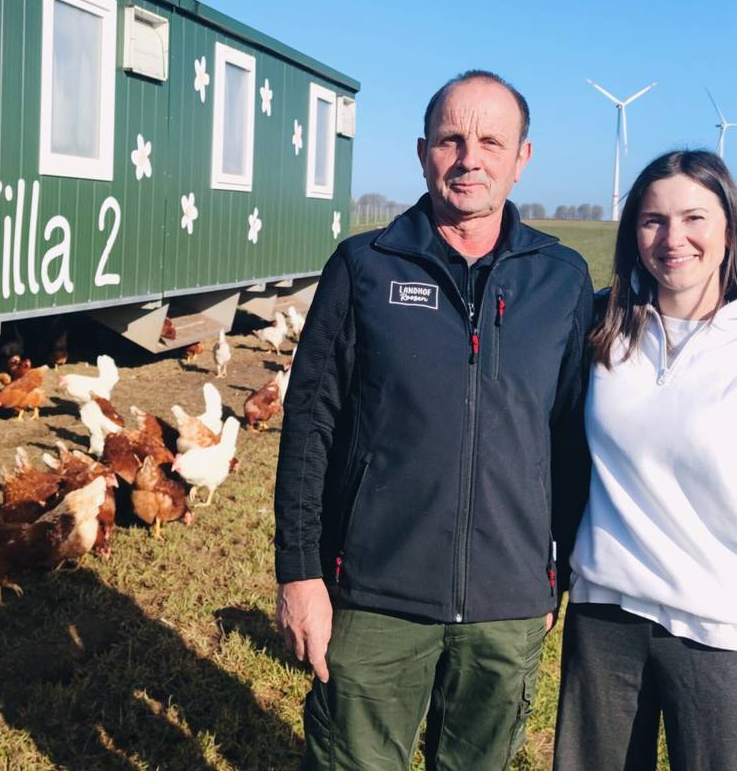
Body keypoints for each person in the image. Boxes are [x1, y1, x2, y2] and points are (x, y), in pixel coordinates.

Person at [274, 69, 594, 770]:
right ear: (423, 153)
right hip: (372, 595)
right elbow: (309, 429)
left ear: (522, 158)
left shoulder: (561, 279)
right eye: (451, 139)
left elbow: (570, 439)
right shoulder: (364, 266)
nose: (469, 158)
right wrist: (300, 575)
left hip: (507, 606)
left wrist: (554, 577)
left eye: (490, 140)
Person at [553, 150, 737, 771]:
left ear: (728, 229)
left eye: (694, 218)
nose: (673, 238)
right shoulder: (605, 328)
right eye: (653, 220)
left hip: (720, 634)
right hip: (605, 615)